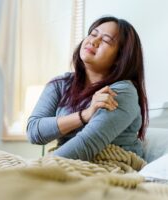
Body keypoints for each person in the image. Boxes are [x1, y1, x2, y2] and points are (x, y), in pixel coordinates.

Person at [26, 16, 149, 161]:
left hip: (109, 164)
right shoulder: (60, 84)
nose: (93, 41)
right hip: (65, 162)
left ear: (119, 58)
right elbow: (34, 132)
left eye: (106, 40)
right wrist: (84, 115)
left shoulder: (121, 92)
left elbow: (87, 144)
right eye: (93, 34)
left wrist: (38, 168)